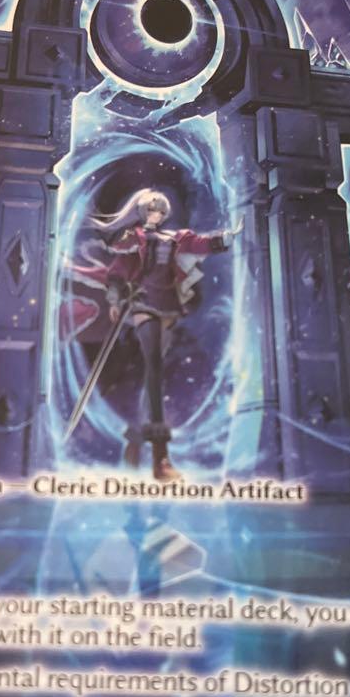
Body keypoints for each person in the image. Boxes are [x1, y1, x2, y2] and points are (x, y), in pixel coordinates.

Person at [87, 188, 240, 480]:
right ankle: (160, 457)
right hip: (143, 301)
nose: (156, 215)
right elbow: (118, 269)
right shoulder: (134, 238)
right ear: (142, 212)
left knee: (153, 372)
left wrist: (225, 239)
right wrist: (115, 299)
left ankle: (136, 439)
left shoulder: (175, 237)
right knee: (154, 367)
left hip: (168, 305)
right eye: (150, 210)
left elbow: (200, 243)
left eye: (160, 211)